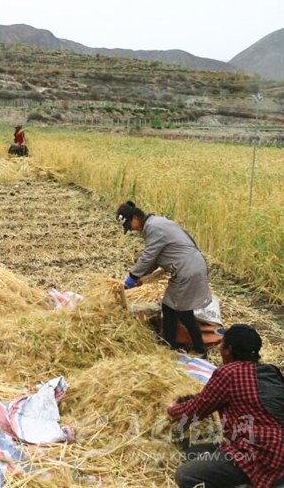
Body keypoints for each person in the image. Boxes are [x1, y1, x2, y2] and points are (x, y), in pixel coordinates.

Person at [168, 324, 284, 488]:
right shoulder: (270, 371)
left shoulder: (229, 373)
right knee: (194, 452)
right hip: (277, 450)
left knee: (185, 475)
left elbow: (195, 411)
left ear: (228, 350)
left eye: (222, 344)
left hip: (258, 453)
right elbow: (209, 397)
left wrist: (172, 409)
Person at [117, 200, 210, 356]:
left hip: (187, 270)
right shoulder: (155, 223)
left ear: (135, 217)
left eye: (129, 225)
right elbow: (156, 259)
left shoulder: (153, 227)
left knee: (183, 312)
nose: (131, 230)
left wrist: (132, 277)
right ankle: (169, 345)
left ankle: (200, 350)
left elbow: (148, 256)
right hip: (187, 268)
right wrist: (142, 277)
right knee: (168, 307)